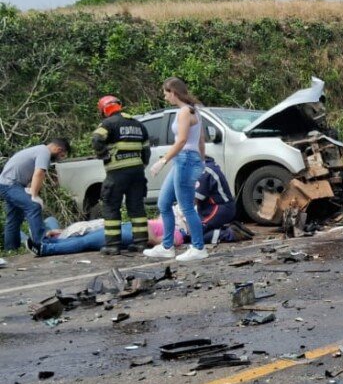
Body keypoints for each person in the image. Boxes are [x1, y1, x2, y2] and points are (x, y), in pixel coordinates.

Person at [144, 77, 209, 262]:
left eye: (166, 94)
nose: (165, 98)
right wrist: (202, 162)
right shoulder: (194, 111)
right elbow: (201, 140)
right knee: (163, 203)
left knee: (187, 206)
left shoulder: (184, 112)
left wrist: (162, 161)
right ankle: (167, 246)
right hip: (187, 159)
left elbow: (181, 141)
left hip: (186, 159)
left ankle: (198, 247)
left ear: (173, 92)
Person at [92, 95, 151, 255]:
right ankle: (141, 243)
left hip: (117, 173)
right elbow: (146, 150)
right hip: (137, 173)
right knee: (137, 207)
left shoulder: (108, 123)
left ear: (104, 110)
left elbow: (97, 139)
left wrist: (103, 154)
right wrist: (140, 166)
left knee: (111, 206)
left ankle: (113, 245)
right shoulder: (138, 124)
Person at [0, 138, 70, 252]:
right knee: (33, 206)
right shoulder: (44, 153)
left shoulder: (38, 150)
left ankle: (11, 249)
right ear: (58, 149)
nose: (60, 157)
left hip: (8, 183)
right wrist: (34, 195)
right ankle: (41, 242)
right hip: (10, 184)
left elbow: (31, 175)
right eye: (61, 155)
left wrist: (30, 190)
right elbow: (39, 173)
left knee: (14, 217)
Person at [31, 216, 184, 257]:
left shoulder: (178, 233)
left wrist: (147, 226)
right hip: (127, 226)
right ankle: (48, 242)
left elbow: (157, 241)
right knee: (84, 236)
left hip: (131, 233)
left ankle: (46, 249)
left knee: (85, 241)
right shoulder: (165, 220)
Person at [195, 156, 237, 244]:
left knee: (196, 235)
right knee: (194, 231)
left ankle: (229, 234)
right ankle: (223, 229)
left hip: (219, 208)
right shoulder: (208, 167)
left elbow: (195, 199)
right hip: (213, 207)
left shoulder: (205, 171)